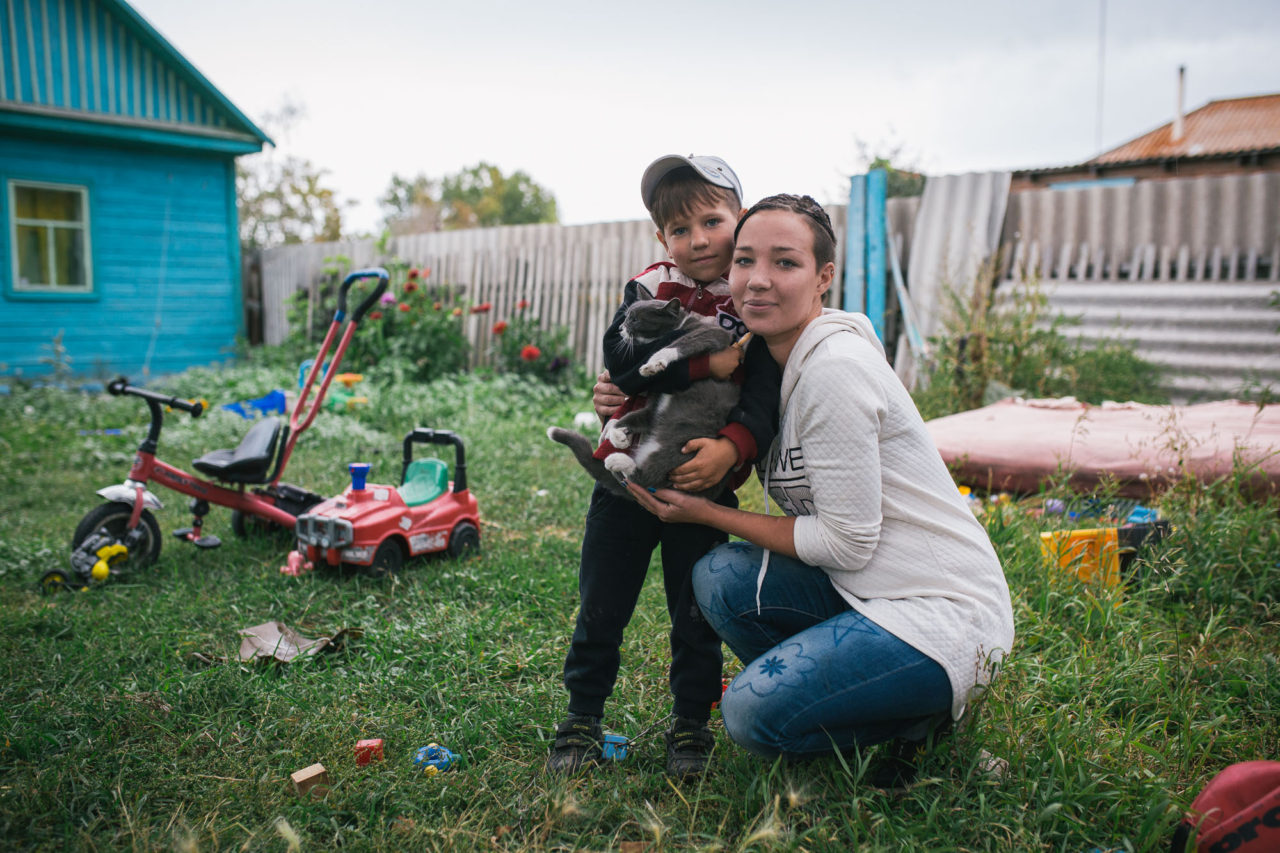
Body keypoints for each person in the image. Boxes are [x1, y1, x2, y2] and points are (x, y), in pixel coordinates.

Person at [628, 194, 1015, 780]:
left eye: (785, 263)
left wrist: (706, 516)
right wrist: (621, 394)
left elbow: (845, 544)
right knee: (719, 576)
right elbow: (679, 389)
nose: (757, 282)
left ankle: (921, 731)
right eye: (745, 261)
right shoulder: (764, 363)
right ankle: (858, 699)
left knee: (751, 714)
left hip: (939, 615)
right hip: (866, 591)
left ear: (823, 278)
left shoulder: (833, 371)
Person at [548, 155, 782, 780]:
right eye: (680, 230)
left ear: (741, 217)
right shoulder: (649, 287)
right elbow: (625, 369)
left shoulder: (757, 295)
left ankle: (691, 727)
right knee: (602, 603)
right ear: (661, 239)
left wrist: (732, 447)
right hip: (626, 481)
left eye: (712, 220)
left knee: (696, 612)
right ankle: (580, 718)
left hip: (702, 483)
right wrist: (707, 366)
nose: (698, 240)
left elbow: (764, 393)